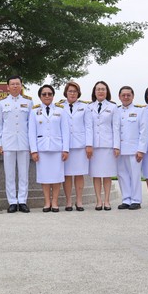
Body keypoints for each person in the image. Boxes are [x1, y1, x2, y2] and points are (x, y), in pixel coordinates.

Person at [0, 75, 33, 213]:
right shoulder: (2, 102)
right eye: (12, 84)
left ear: (21, 85)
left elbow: (31, 125)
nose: (15, 86)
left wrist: (32, 144)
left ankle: (22, 201)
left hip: (24, 142)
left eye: (17, 84)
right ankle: (12, 201)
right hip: (8, 142)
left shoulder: (28, 101)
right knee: (9, 174)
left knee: (24, 174)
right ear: (8, 87)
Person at [29, 85, 70, 212]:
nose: (47, 96)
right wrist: (34, 150)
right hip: (42, 149)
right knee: (45, 177)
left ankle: (55, 202)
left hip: (57, 149)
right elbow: (31, 132)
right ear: (40, 96)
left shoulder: (60, 110)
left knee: (57, 177)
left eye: (49, 94)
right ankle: (47, 202)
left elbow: (65, 131)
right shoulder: (34, 111)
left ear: (53, 96)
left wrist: (65, 149)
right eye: (44, 94)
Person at [86, 81, 119, 211]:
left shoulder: (113, 107)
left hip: (107, 145)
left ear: (107, 91)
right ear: (94, 92)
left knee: (107, 174)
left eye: (103, 89)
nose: (100, 91)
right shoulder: (89, 107)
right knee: (96, 174)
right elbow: (88, 127)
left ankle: (107, 200)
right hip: (94, 146)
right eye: (98, 89)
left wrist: (116, 146)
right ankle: (99, 200)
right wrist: (89, 145)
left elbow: (116, 127)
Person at [58, 81, 91, 211]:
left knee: (79, 174)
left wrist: (89, 144)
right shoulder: (59, 107)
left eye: (75, 91)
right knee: (67, 174)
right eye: (70, 91)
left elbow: (88, 127)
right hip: (65, 146)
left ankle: (79, 201)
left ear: (78, 93)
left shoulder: (85, 107)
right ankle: (68, 201)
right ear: (66, 93)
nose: (72, 94)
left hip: (80, 145)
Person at [116, 86, 148, 210]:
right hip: (120, 149)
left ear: (133, 96)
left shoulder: (140, 111)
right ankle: (126, 199)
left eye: (128, 95)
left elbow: (144, 131)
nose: (126, 97)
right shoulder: (116, 111)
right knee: (122, 175)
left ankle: (136, 200)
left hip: (134, 150)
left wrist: (141, 150)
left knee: (135, 175)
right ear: (119, 97)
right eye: (123, 95)